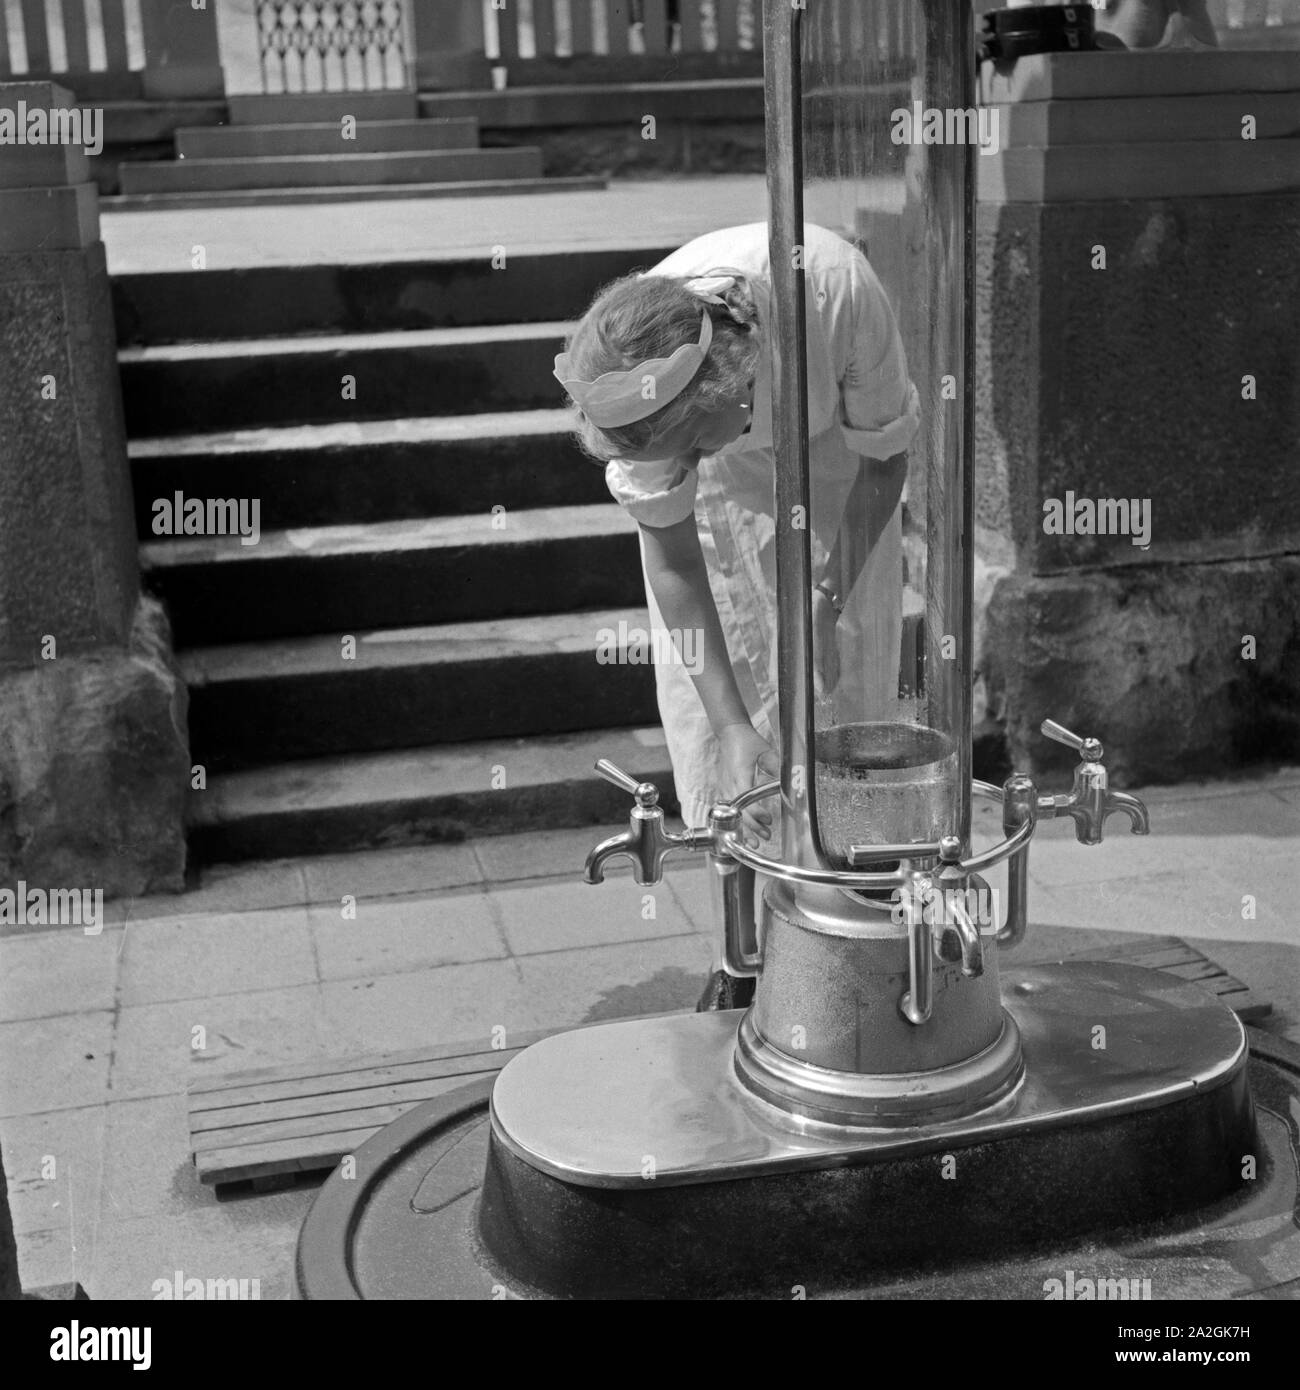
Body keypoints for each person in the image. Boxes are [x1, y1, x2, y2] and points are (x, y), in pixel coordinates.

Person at [554, 223, 921, 1008]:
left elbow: (888, 459)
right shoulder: (638, 388)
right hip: (719, 510)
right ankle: (746, 957)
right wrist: (730, 725)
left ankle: (858, 938)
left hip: (837, 474)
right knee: (722, 735)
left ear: (726, 389)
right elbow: (676, 563)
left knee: (847, 709)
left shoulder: (834, 293)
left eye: (685, 448)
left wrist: (827, 601)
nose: (672, 465)